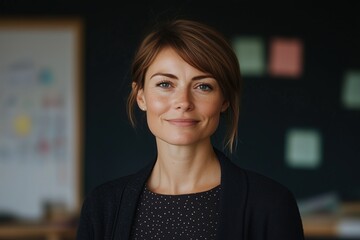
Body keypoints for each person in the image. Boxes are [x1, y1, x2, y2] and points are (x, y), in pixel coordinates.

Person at [76, 19, 304, 240]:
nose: (183, 101)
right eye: (165, 84)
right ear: (141, 96)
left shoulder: (271, 205)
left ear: (224, 99)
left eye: (203, 86)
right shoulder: (102, 207)